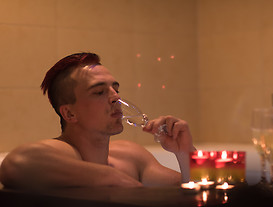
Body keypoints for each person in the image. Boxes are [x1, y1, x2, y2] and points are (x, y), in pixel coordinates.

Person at [0, 53, 196, 189]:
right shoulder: (63, 151)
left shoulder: (129, 155)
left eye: (115, 89)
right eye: (99, 92)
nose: (115, 98)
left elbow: (193, 193)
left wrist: (185, 153)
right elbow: (15, 164)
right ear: (69, 114)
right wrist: (109, 177)